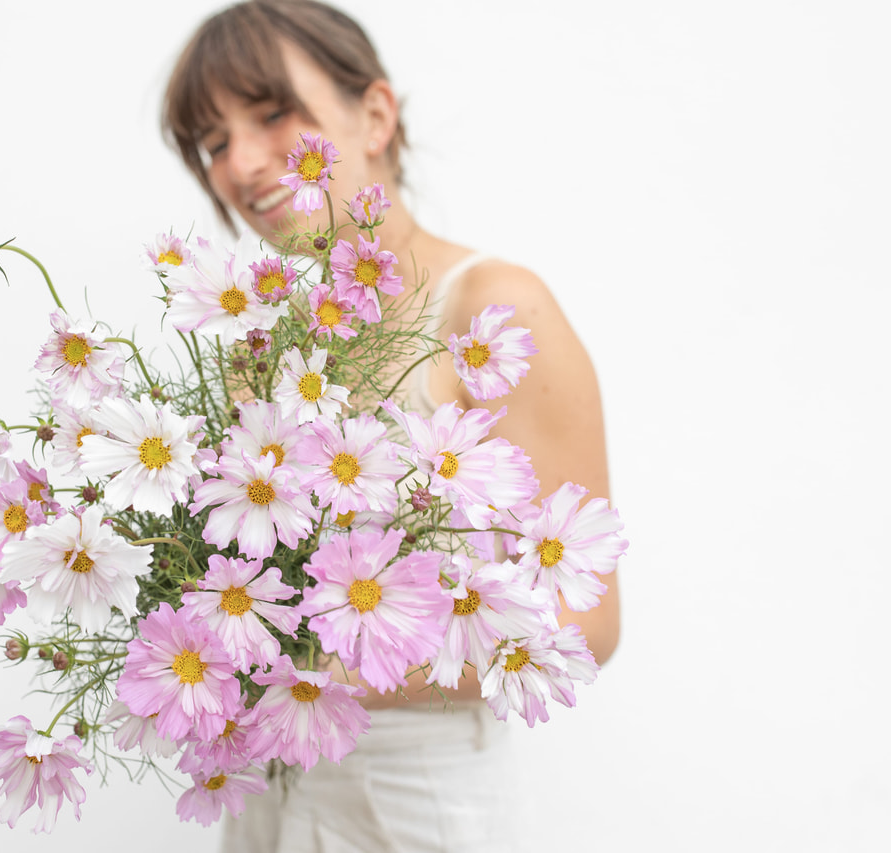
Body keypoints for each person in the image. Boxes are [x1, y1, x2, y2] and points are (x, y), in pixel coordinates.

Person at [162, 2, 621, 850]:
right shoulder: (262, 346)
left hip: (419, 810)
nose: (244, 164)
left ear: (375, 114)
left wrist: (335, 669)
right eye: (213, 141)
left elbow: (586, 621)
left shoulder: (495, 310)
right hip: (271, 797)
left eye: (272, 115)